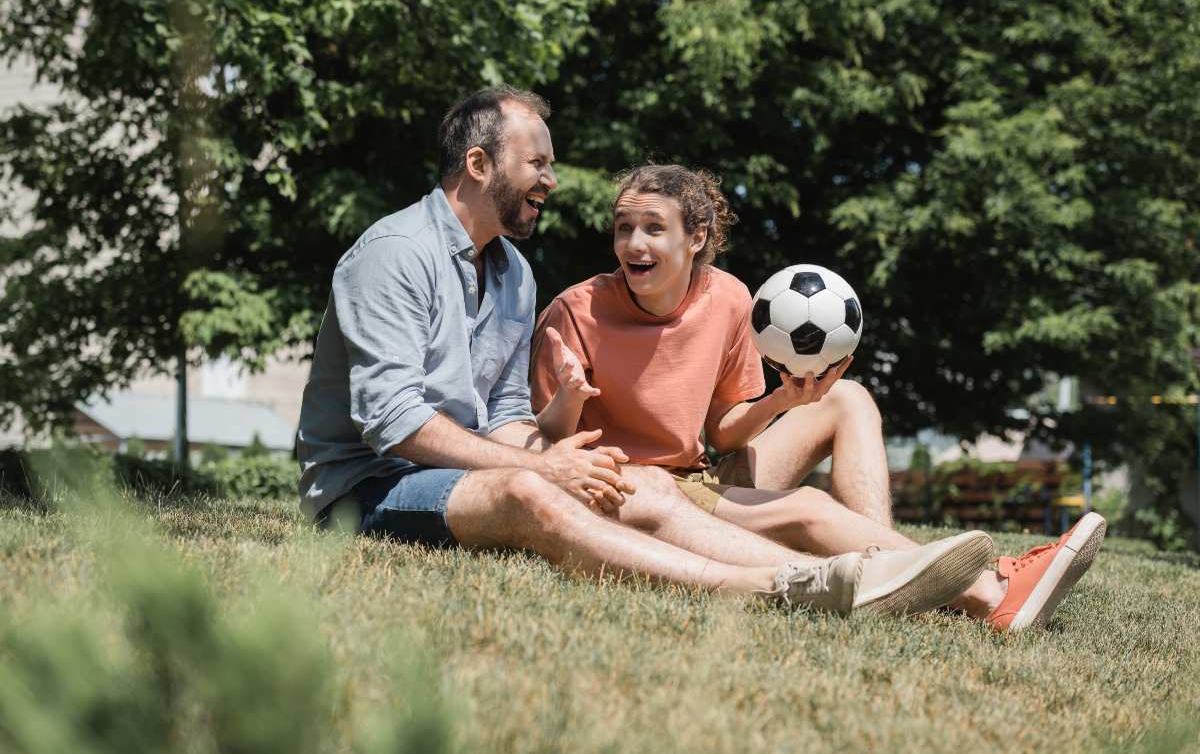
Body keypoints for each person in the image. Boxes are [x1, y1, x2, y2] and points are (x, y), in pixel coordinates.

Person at [296, 86, 996, 617]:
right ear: (479, 164)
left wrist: (560, 453)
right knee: (528, 489)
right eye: (536, 162)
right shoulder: (395, 255)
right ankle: (775, 586)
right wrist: (539, 464)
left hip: (469, 471)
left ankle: (901, 579)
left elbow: (506, 409)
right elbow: (393, 423)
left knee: (642, 483)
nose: (551, 179)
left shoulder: (511, 271)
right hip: (369, 490)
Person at [530, 162, 1106, 631]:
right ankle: (991, 591)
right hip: (640, 489)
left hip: (700, 477)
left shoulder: (729, 298)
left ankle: (893, 578)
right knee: (808, 508)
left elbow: (724, 431)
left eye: (653, 228)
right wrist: (573, 400)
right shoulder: (574, 311)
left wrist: (785, 399)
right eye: (623, 227)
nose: (633, 243)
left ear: (696, 237)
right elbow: (546, 450)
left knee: (849, 398)